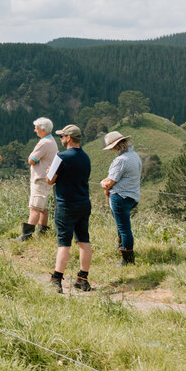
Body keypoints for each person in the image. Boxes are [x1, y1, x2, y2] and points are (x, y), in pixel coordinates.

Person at [47, 124, 93, 293]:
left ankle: (56, 280)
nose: (61, 139)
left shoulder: (62, 157)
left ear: (68, 138)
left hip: (65, 204)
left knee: (64, 243)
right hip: (83, 203)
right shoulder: (86, 157)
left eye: (62, 136)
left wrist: (48, 173)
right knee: (84, 240)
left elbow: (50, 180)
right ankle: (83, 278)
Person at [101, 130, 141, 266]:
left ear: (116, 146)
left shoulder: (120, 160)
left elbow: (110, 182)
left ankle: (128, 258)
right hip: (132, 196)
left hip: (120, 197)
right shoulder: (135, 156)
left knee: (124, 228)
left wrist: (103, 183)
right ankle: (123, 250)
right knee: (122, 226)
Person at [14, 118, 58, 242]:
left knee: (35, 206)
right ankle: (42, 230)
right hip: (47, 178)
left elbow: (32, 159)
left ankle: (26, 235)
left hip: (40, 178)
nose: (35, 130)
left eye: (36, 128)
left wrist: (32, 159)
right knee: (43, 206)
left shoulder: (43, 143)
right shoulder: (52, 141)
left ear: (43, 130)